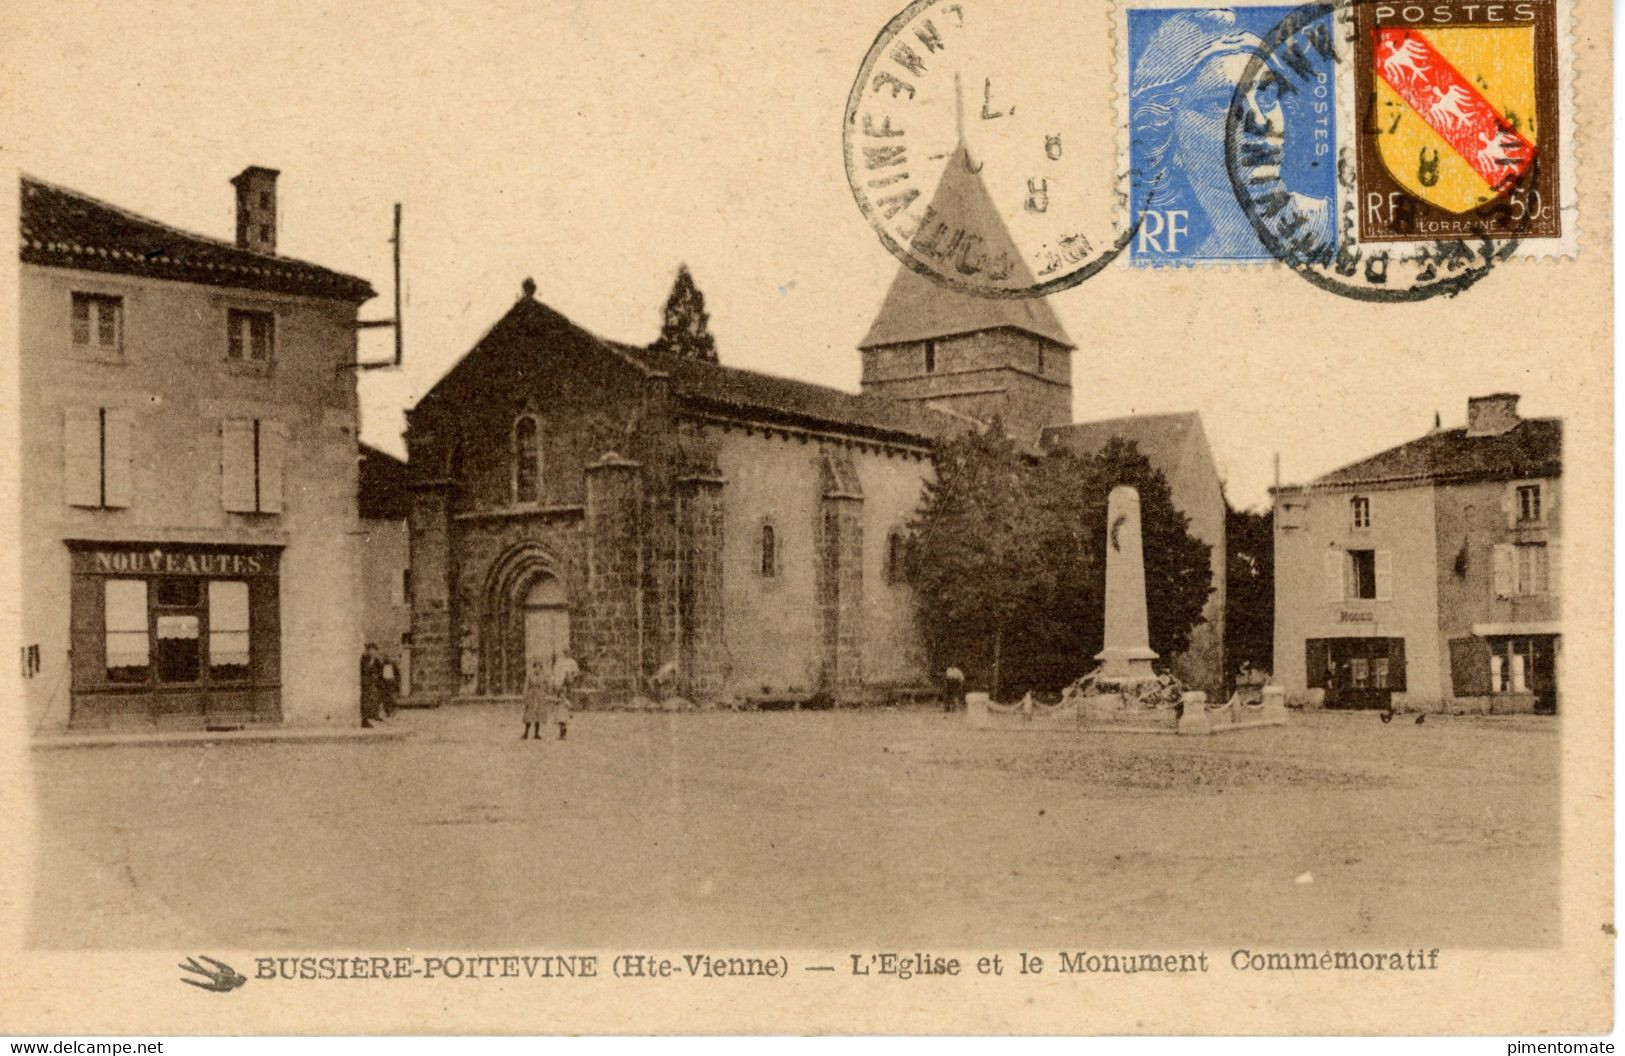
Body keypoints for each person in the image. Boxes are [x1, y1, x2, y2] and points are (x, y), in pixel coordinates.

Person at [1130, 9, 1333, 261]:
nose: (1258, 121)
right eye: (1220, 103)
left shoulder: (1335, 225)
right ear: (1162, 137)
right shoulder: (1197, 262)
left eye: (1267, 95)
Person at [551, 651, 581, 740]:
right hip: (561, 704)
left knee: (562, 720)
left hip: (563, 704)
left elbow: (574, 674)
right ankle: (562, 735)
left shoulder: (569, 663)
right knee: (562, 720)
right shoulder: (560, 663)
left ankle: (563, 735)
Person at [521, 658, 549, 741]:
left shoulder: (543, 675)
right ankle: (526, 733)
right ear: (534, 667)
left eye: (539, 667)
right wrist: (525, 694)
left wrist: (544, 691)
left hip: (539, 696)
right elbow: (526, 685)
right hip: (531, 695)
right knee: (529, 714)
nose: (537, 669)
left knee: (538, 714)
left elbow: (547, 684)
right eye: (536, 667)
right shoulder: (530, 675)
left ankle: (536, 733)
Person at [359, 643, 384, 728]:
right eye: (372, 650)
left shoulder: (374, 659)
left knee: (374, 699)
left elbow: (380, 668)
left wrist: (379, 660)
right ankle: (365, 720)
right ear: (368, 650)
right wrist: (372, 660)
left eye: (375, 650)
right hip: (365, 683)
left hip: (373, 683)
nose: (374, 652)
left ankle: (374, 715)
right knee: (366, 701)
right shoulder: (364, 658)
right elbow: (365, 670)